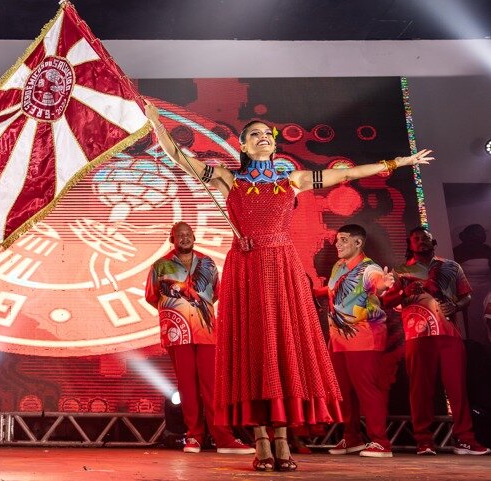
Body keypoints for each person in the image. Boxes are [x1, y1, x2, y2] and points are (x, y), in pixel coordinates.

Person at [144, 101, 433, 471]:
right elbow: (179, 157)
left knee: (282, 350)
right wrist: (156, 123)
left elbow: (348, 175)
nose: (263, 138)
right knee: (254, 351)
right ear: (244, 147)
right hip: (246, 269)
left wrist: (399, 163)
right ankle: (261, 441)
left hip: (281, 267)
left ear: (274, 144)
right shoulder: (229, 179)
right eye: (255, 135)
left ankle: (283, 439)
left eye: (268, 134)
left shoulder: (291, 181)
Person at [144, 222, 254, 455]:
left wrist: (197, 311)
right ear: (171, 239)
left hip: (205, 332)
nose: (184, 238)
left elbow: (214, 294)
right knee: (187, 387)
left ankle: (223, 437)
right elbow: (152, 296)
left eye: (188, 235)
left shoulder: (207, 262)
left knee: (212, 385)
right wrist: (175, 312)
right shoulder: (160, 265)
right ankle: (193, 436)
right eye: (179, 235)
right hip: (177, 333)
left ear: (194, 237)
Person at [383, 227, 489, 455]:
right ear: (410, 245)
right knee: (420, 390)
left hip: (449, 334)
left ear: (433, 241)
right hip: (417, 335)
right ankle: (424, 441)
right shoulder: (401, 270)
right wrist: (404, 293)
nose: (421, 241)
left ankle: (465, 440)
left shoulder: (451, 266)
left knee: (457, 389)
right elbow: (387, 302)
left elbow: (466, 296)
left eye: (425, 238)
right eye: (416, 239)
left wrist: (457, 305)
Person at [318, 224, 395, 458]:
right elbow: (333, 292)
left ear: (358, 243)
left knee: (368, 390)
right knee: (343, 393)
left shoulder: (368, 269)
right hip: (339, 339)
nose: (337, 244)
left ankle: (380, 442)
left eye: (343, 240)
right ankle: (351, 438)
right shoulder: (338, 267)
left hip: (364, 338)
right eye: (337, 240)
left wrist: (384, 285)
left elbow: (378, 284)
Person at [453, 224, 491, 342]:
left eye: (481, 233)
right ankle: (477, 344)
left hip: (487, 291)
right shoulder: (456, 251)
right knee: (472, 320)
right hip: (468, 292)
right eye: (476, 233)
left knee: (486, 317)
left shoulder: (488, 250)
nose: (480, 235)